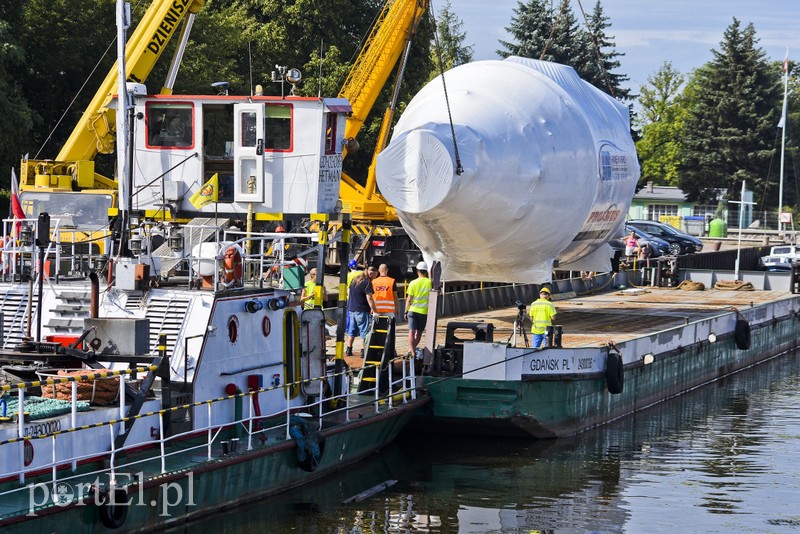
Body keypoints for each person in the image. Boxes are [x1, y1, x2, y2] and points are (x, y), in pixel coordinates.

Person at [345, 266, 378, 356]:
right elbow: (370, 298)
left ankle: (348, 349)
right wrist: (375, 311)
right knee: (364, 331)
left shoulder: (355, 280)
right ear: (371, 273)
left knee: (352, 331)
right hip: (362, 310)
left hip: (351, 309)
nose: (375, 277)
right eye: (375, 275)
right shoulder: (367, 283)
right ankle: (363, 351)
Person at [405, 261, 433, 359]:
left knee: (411, 332)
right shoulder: (430, 282)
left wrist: (406, 311)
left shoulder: (413, 283)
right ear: (426, 271)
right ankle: (411, 350)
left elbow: (409, 299)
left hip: (412, 310)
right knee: (419, 333)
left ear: (417, 271)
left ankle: (412, 351)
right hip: (423, 312)